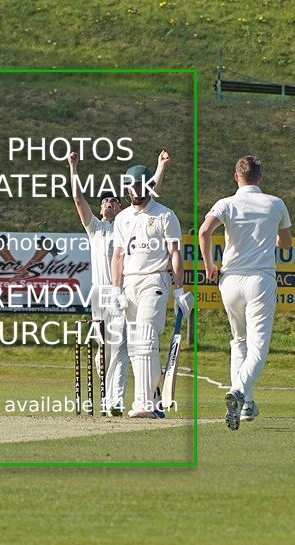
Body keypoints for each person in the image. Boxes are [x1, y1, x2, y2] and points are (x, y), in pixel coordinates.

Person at [69, 150, 170, 416]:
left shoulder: (128, 221)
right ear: (101, 209)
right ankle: (116, 398)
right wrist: (73, 168)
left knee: (133, 346)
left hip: (130, 291)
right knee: (107, 350)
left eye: (114, 201)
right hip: (102, 297)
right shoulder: (96, 229)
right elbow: (78, 199)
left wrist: (160, 166)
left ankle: (120, 400)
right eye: (105, 202)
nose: (110, 204)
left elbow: (147, 191)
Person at [197, 156, 292, 430]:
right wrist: (273, 237)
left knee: (239, 341)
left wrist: (209, 265)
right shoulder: (275, 203)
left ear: (236, 176)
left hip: (230, 281)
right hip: (259, 279)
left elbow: (204, 232)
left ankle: (246, 404)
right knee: (258, 347)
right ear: (260, 178)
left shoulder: (226, 203)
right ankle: (238, 390)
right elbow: (285, 244)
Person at [109, 163, 193, 418]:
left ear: (148, 187)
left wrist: (179, 290)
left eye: (137, 186)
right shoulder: (122, 218)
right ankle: (155, 401)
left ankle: (143, 404)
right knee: (137, 346)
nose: (133, 191)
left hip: (155, 281)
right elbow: (118, 256)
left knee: (146, 338)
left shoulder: (165, 216)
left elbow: (175, 254)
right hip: (130, 284)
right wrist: (116, 290)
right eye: (129, 187)